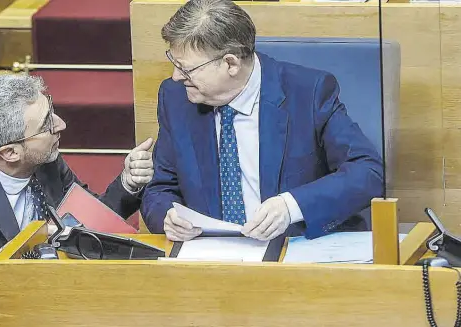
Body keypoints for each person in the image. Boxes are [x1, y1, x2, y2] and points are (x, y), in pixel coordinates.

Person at [0, 73, 154, 327]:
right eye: (46, 125)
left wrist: (128, 183)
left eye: (51, 109)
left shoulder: (44, 161)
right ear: (10, 152)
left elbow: (87, 223)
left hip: (60, 314)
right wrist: (18, 253)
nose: (61, 124)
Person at [141, 0, 383, 249]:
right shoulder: (175, 97)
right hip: (210, 257)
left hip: (294, 251)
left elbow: (368, 172)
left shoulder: (308, 93)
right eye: (174, 61)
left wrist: (290, 206)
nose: (176, 76)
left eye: (186, 68)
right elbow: (160, 187)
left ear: (231, 64)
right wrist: (167, 217)